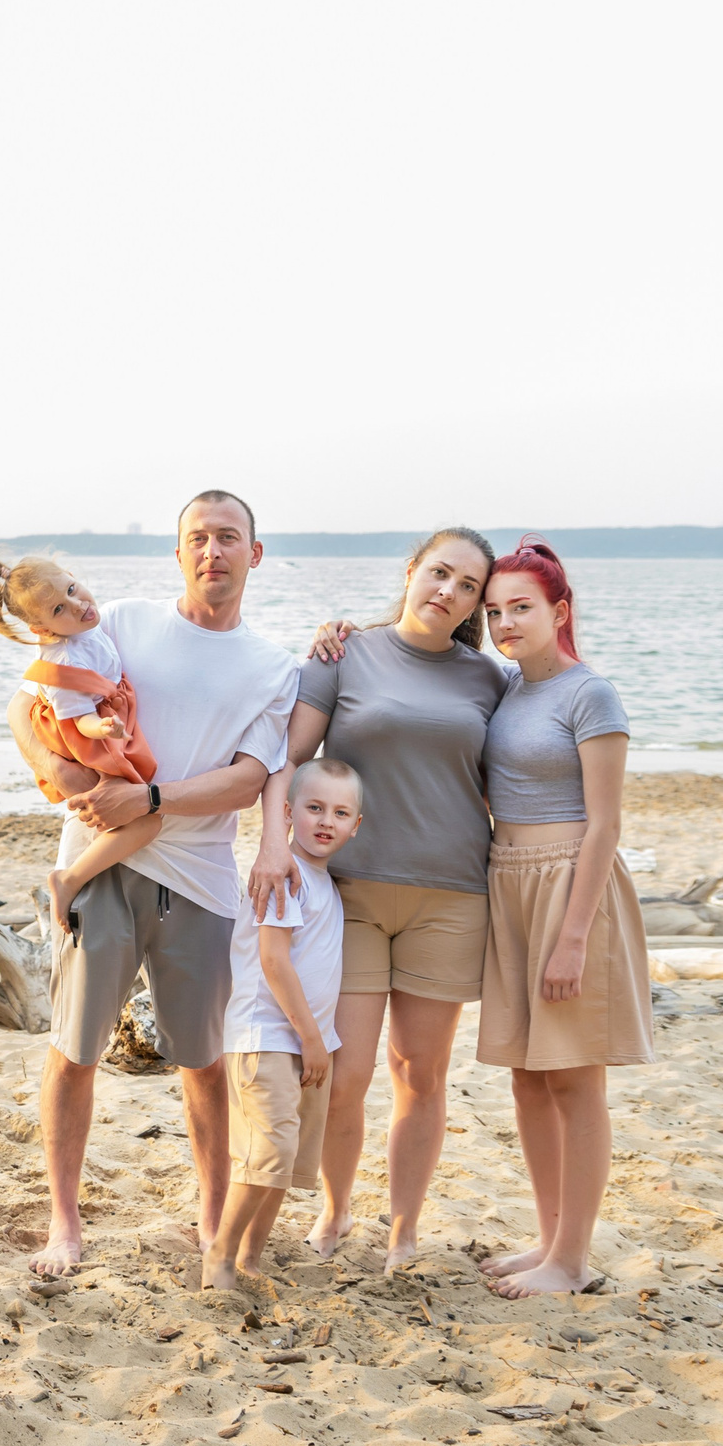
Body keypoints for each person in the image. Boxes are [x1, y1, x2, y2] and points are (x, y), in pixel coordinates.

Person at [3, 491, 300, 1277]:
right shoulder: (121, 624)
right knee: (74, 1050)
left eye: (228, 537)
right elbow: (26, 703)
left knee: (202, 1062)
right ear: (178, 554)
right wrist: (56, 771)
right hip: (99, 866)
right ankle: (63, 1223)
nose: (213, 551)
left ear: (254, 554)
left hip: (200, 883)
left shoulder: (273, 666)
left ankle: (211, 1223)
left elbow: (249, 778)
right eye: (198, 538)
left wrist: (154, 799)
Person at [251, 527, 505, 1272]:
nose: (449, 592)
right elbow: (287, 761)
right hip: (351, 896)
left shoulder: (488, 680)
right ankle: (333, 1211)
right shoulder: (344, 653)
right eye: (440, 573)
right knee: (348, 1071)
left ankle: (403, 1229)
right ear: (412, 570)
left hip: (453, 898)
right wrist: (271, 844)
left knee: (420, 1075)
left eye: (468, 587)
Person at [471, 541, 650, 1297]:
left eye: (522, 608)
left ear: (559, 612)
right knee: (525, 1077)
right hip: (507, 883)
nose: (507, 623)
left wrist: (574, 935)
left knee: (575, 1082)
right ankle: (548, 1240)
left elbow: (604, 826)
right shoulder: (504, 688)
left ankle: (572, 1260)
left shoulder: (591, 694)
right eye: (495, 611)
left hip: (572, 886)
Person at [203, 758, 361, 1294]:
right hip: (267, 1036)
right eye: (314, 808)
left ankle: (251, 1258)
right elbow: (274, 961)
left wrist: (320, 1043)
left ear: (356, 825)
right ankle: (219, 1257)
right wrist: (312, 1039)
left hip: (308, 1045)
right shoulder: (285, 875)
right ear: (288, 812)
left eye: (340, 813)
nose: (326, 821)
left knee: (287, 1162)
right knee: (265, 1156)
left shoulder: (324, 881)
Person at [0, 555, 161, 923]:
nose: (79, 605)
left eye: (72, 589)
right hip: (88, 739)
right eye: (60, 608)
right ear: (41, 628)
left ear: (74, 575)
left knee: (134, 812)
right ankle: (68, 880)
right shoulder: (63, 660)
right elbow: (79, 722)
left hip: (102, 723)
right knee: (146, 820)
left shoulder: (88, 627)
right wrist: (104, 728)